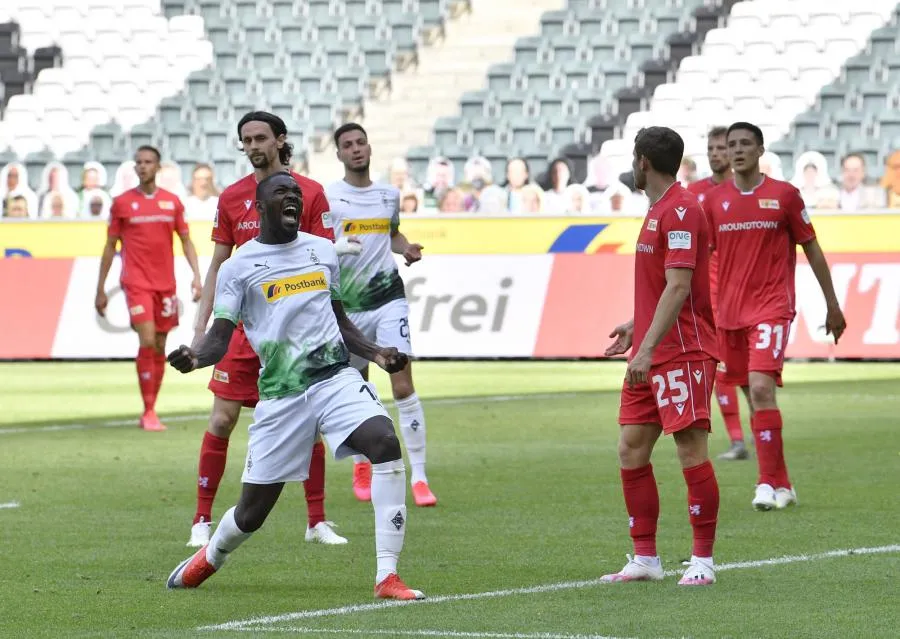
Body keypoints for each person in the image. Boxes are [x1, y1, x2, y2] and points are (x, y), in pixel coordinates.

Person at [165, 172, 425, 601]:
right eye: (281, 192)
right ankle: (212, 554)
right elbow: (220, 335)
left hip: (334, 377)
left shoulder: (322, 251)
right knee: (251, 514)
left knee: (383, 442)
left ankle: (387, 577)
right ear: (260, 205)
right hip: (282, 397)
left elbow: (341, 321)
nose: (292, 198)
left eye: (296, 194)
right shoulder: (239, 267)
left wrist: (377, 353)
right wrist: (195, 357)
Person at [187, 111, 350, 549]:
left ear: (281, 140)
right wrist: (201, 330)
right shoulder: (232, 197)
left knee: (310, 422)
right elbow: (220, 264)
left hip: (298, 333)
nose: (253, 146)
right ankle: (201, 520)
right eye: (246, 139)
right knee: (222, 419)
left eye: (261, 137)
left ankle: (316, 521)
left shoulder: (309, 193)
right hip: (244, 328)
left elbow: (323, 259)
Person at [703, 122, 847, 511]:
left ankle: (765, 484)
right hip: (729, 315)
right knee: (755, 399)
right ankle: (784, 484)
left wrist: (832, 305)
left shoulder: (784, 196)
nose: (736, 150)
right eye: (731, 144)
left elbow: (812, 249)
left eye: (745, 143)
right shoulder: (715, 202)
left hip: (771, 309)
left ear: (761, 149)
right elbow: (704, 260)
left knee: (762, 389)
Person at [602, 126, 720, 586]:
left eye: (633, 159)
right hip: (654, 350)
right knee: (631, 448)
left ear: (643, 162)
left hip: (683, 351)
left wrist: (646, 350)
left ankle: (703, 561)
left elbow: (680, 285)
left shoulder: (683, 209)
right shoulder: (658, 210)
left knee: (690, 450)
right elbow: (662, 287)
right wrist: (637, 327)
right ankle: (646, 557)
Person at [327, 123, 437, 508]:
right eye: (347, 145)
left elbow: (391, 235)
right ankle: (361, 463)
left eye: (360, 143)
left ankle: (420, 477)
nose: (356, 150)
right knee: (357, 388)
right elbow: (324, 244)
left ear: (369, 148)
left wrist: (406, 248)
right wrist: (341, 247)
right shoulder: (330, 198)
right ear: (338, 154)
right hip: (349, 308)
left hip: (388, 298)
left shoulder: (389, 194)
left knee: (402, 381)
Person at [95, 146, 203, 431]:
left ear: (158, 167)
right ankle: (149, 411)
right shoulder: (120, 203)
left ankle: (152, 406)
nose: (143, 167)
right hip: (136, 282)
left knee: (159, 345)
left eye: (148, 162)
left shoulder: (172, 203)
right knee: (146, 340)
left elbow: (186, 240)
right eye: (139, 163)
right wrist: (101, 289)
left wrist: (196, 276)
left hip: (165, 284)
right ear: (135, 168)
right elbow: (109, 247)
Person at [687, 126, 747, 461]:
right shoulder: (693, 192)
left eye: (721, 148)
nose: (715, 153)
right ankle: (737, 440)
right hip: (703, 297)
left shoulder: (743, 193)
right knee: (717, 367)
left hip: (737, 295)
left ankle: (752, 438)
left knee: (747, 374)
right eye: (710, 148)